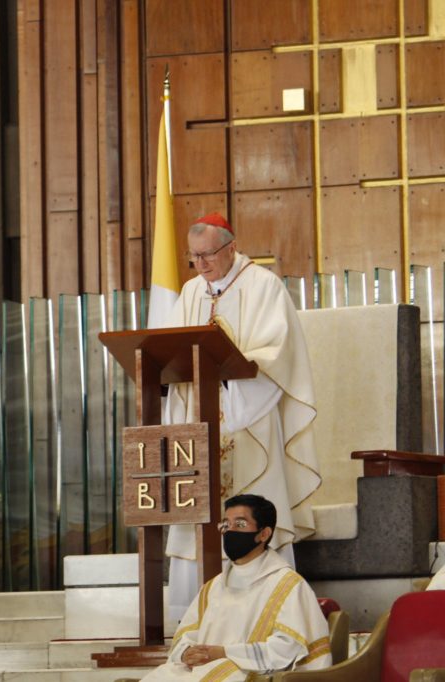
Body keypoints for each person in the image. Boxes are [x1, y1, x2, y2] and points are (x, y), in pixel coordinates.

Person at [162, 213, 322, 620]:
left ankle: (268, 609)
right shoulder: (190, 291)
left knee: (255, 492)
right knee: (196, 511)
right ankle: (192, 615)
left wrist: (231, 377)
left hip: (249, 416)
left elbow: (278, 352)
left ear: (231, 247)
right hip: (200, 420)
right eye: (193, 257)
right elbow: (171, 352)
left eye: (208, 255)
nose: (201, 265)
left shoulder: (263, 286)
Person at [143, 495, 331, 680]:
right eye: (225, 524)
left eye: (240, 524)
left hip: (255, 674)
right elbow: (185, 635)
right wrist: (186, 653)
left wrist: (225, 653)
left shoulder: (287, 585)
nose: (229, 530)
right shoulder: (213, 587)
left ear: (264, 534)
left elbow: (288, 648)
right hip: (202, 670)